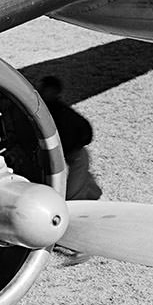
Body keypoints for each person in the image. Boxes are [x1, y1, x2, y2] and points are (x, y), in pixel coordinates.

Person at [36, 75, 102, 263]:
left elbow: (84, 131)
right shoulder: (48, 112)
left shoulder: (58, 113)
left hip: (74, 157)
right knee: (76, 192)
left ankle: (80, 245)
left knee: (71, 197)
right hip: (68, 157)